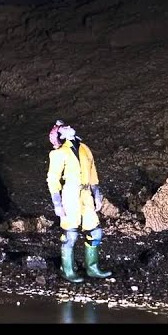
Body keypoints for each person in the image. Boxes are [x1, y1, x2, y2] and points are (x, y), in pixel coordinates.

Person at [46, 120, 112, 283]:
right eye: (63, 128)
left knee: (95, 232)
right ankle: (67, 269)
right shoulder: (59, 153)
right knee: (71, 234)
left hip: (86, 192)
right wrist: (57, 203)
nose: (68, 127)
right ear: (60, 135)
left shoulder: (84, 149)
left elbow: (93, 173)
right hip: (70, 193)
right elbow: (53, 179)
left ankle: (92, 267)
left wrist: (97, 195)